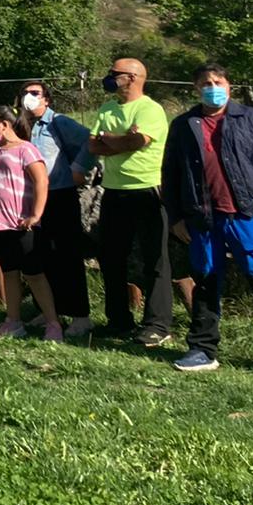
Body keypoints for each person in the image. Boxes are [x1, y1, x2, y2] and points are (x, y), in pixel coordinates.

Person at [164, 63, 253, 373]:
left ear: (229, 85)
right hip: (202, 219)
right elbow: (170, 174)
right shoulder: (184, 125)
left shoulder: (252, 119)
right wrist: (175, 217)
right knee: (205, 281)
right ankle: (202, 350)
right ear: (195, 88)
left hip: (245, 216)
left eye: (218, 81)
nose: (212, 87)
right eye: (205, 83)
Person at [89, 57, 173, 345]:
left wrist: (110, 139)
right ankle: (118, 320)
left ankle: (157, 325)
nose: (109, 77)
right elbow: (93, 146)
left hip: (147, 190)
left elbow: (137, 142)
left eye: (115, 73)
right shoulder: (107, 108)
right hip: (112, 190)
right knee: (111, 257)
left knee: (155, 259)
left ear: (133, 77)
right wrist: (121, 139)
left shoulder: (150, 109)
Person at [0, 106, 63, 341]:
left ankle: (53, 323)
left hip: (21, 223)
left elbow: (40, 181)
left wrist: (35, 214)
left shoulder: (26, 150)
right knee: (10, 272)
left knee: (35, 274)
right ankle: (13, 321)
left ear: (5, 125)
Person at [21, 80, 97, 337]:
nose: (28, 98)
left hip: (61, 195)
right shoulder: (24, 126)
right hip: (35, 198)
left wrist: (78, 169)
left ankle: (80, 315)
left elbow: (89, 140)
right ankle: (50, 310)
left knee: (68, 256)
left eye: (35, 93)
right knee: (44, 255)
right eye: (25, 93)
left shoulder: (58, 122)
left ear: (47, 100)